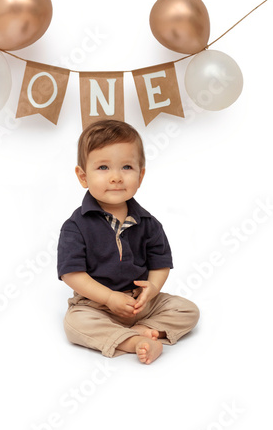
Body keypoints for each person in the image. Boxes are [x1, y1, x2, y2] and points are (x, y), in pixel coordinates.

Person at [57, 120, 199, 364]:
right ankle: (135, 341)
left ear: (140, 175)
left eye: (126, 167)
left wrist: (151, 290)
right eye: (103, 167)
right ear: (83, 176)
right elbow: (72, 274)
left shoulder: (148, 222)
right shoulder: (76, 226)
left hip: (140, 302)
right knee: (74, 323)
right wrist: (109, 298)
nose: (116, 177)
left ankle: (145, 328)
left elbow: (160, 264)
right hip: (96, 304)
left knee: (188, 310)